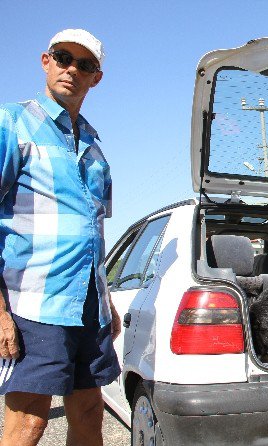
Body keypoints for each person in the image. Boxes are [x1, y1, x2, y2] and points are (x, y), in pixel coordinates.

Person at [0, 29, 120, 446]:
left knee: (89, 413)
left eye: (84, 65)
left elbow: (94, 231)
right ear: (45, 61)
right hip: (34, 301)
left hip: (88, 304)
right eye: (63, 57)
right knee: (29, 422)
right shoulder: (12, 123)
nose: (72, 69)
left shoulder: (94, 146)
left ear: (95, 78)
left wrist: (105, 301)